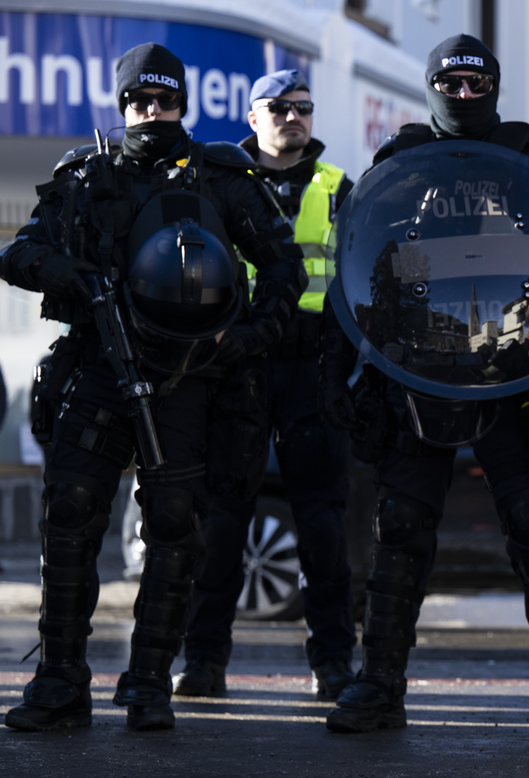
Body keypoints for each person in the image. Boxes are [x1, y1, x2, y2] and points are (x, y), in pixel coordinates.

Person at [1, 43, 305, 732]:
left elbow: (284, 266)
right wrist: (65, 274)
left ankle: (147, 684)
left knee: (174, 529)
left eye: (165, 101)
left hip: (189, 380)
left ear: (183, 106)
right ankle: (59, 682)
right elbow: (16, 252)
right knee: (70, 521)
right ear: (122, 104)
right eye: (140, 101)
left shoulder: (221, 176)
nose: (152, 112)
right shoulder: (84, 174)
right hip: (102, 370)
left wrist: (250, 335)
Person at [320, 33, 529, 738]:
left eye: (478, 86)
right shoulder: (397, 164)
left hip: (514, 366)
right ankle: (378, 683)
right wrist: (350, 359)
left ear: (496, 90)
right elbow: (364, 266)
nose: (465, 97)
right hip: (421, 367)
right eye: (451, 84)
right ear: (431, 88)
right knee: (402, 528)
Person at [172, 69, 357, 701]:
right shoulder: (219, 181)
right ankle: (203, 661)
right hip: (237, 363)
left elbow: (365, 280)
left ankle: (333, 664)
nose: (292, 117)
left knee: (324, 527)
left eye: (303, 107)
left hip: (314, 366)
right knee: (222, 521)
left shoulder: (340, 189)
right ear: (252, 118)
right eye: (278, 107)